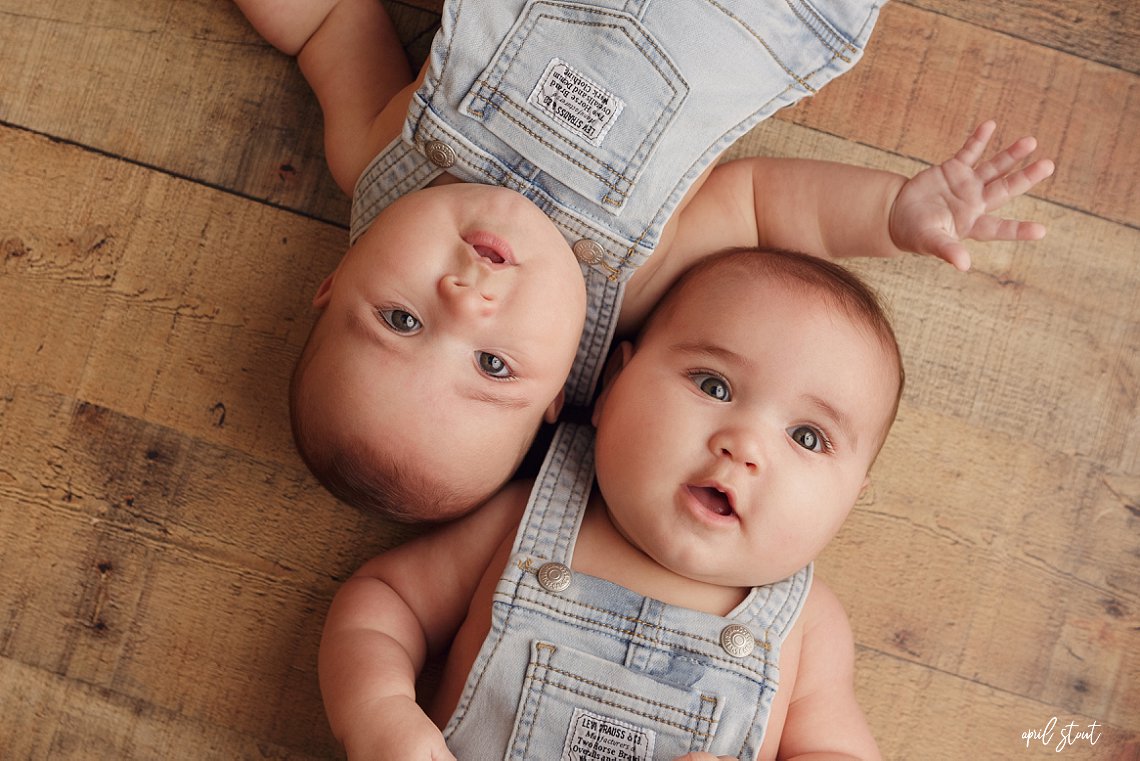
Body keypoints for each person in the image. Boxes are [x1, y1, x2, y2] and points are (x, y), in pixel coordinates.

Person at [234, 0, 1054, 521]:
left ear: (334, 281)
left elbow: (329, 22)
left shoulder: (377, 158)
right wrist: (892, 213)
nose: (465, 299)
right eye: (492, 362)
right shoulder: (633, 285)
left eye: (401, 319)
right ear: (560, 389)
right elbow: (765, 203)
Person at [318, 246, 907, 760]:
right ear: (611, 386)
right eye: (713, 385)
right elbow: (386, 603)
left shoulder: (808, 626)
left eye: (807, 436)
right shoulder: (529, 521)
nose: (745, 445)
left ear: (850, 501)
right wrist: (378, 713)